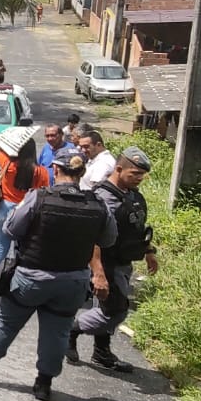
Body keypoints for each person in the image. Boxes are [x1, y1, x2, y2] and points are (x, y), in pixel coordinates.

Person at [0, 145, 117, 401]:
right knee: (57, 332)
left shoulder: (39, 198)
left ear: (55, 169)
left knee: (6, 322)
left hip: (31, 277)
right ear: (80, 173)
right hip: (71, 282)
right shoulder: (98, 204)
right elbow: (109, 239)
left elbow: (12, 229)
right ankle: (43, 385)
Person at [69, 147, 160, 372]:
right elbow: (94, 239)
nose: (139, 179)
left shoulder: (132, 195)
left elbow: (137, 228)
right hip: (106, 263)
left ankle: (102, 352)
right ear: (119, 169)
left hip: (124, 261)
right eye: (135, 174)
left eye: (142, 175)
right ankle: (71, 330)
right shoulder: (103, 197)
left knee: (108, 306)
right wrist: (98, 274)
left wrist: (149, 252)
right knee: (116, 310)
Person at [0, 126, 50, 269]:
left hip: (4, 209)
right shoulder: (41, 172)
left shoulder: (8, 165)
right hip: (27, 212)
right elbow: (44, 193)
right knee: (23, 248)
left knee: (1, 245)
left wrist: (12, 140)